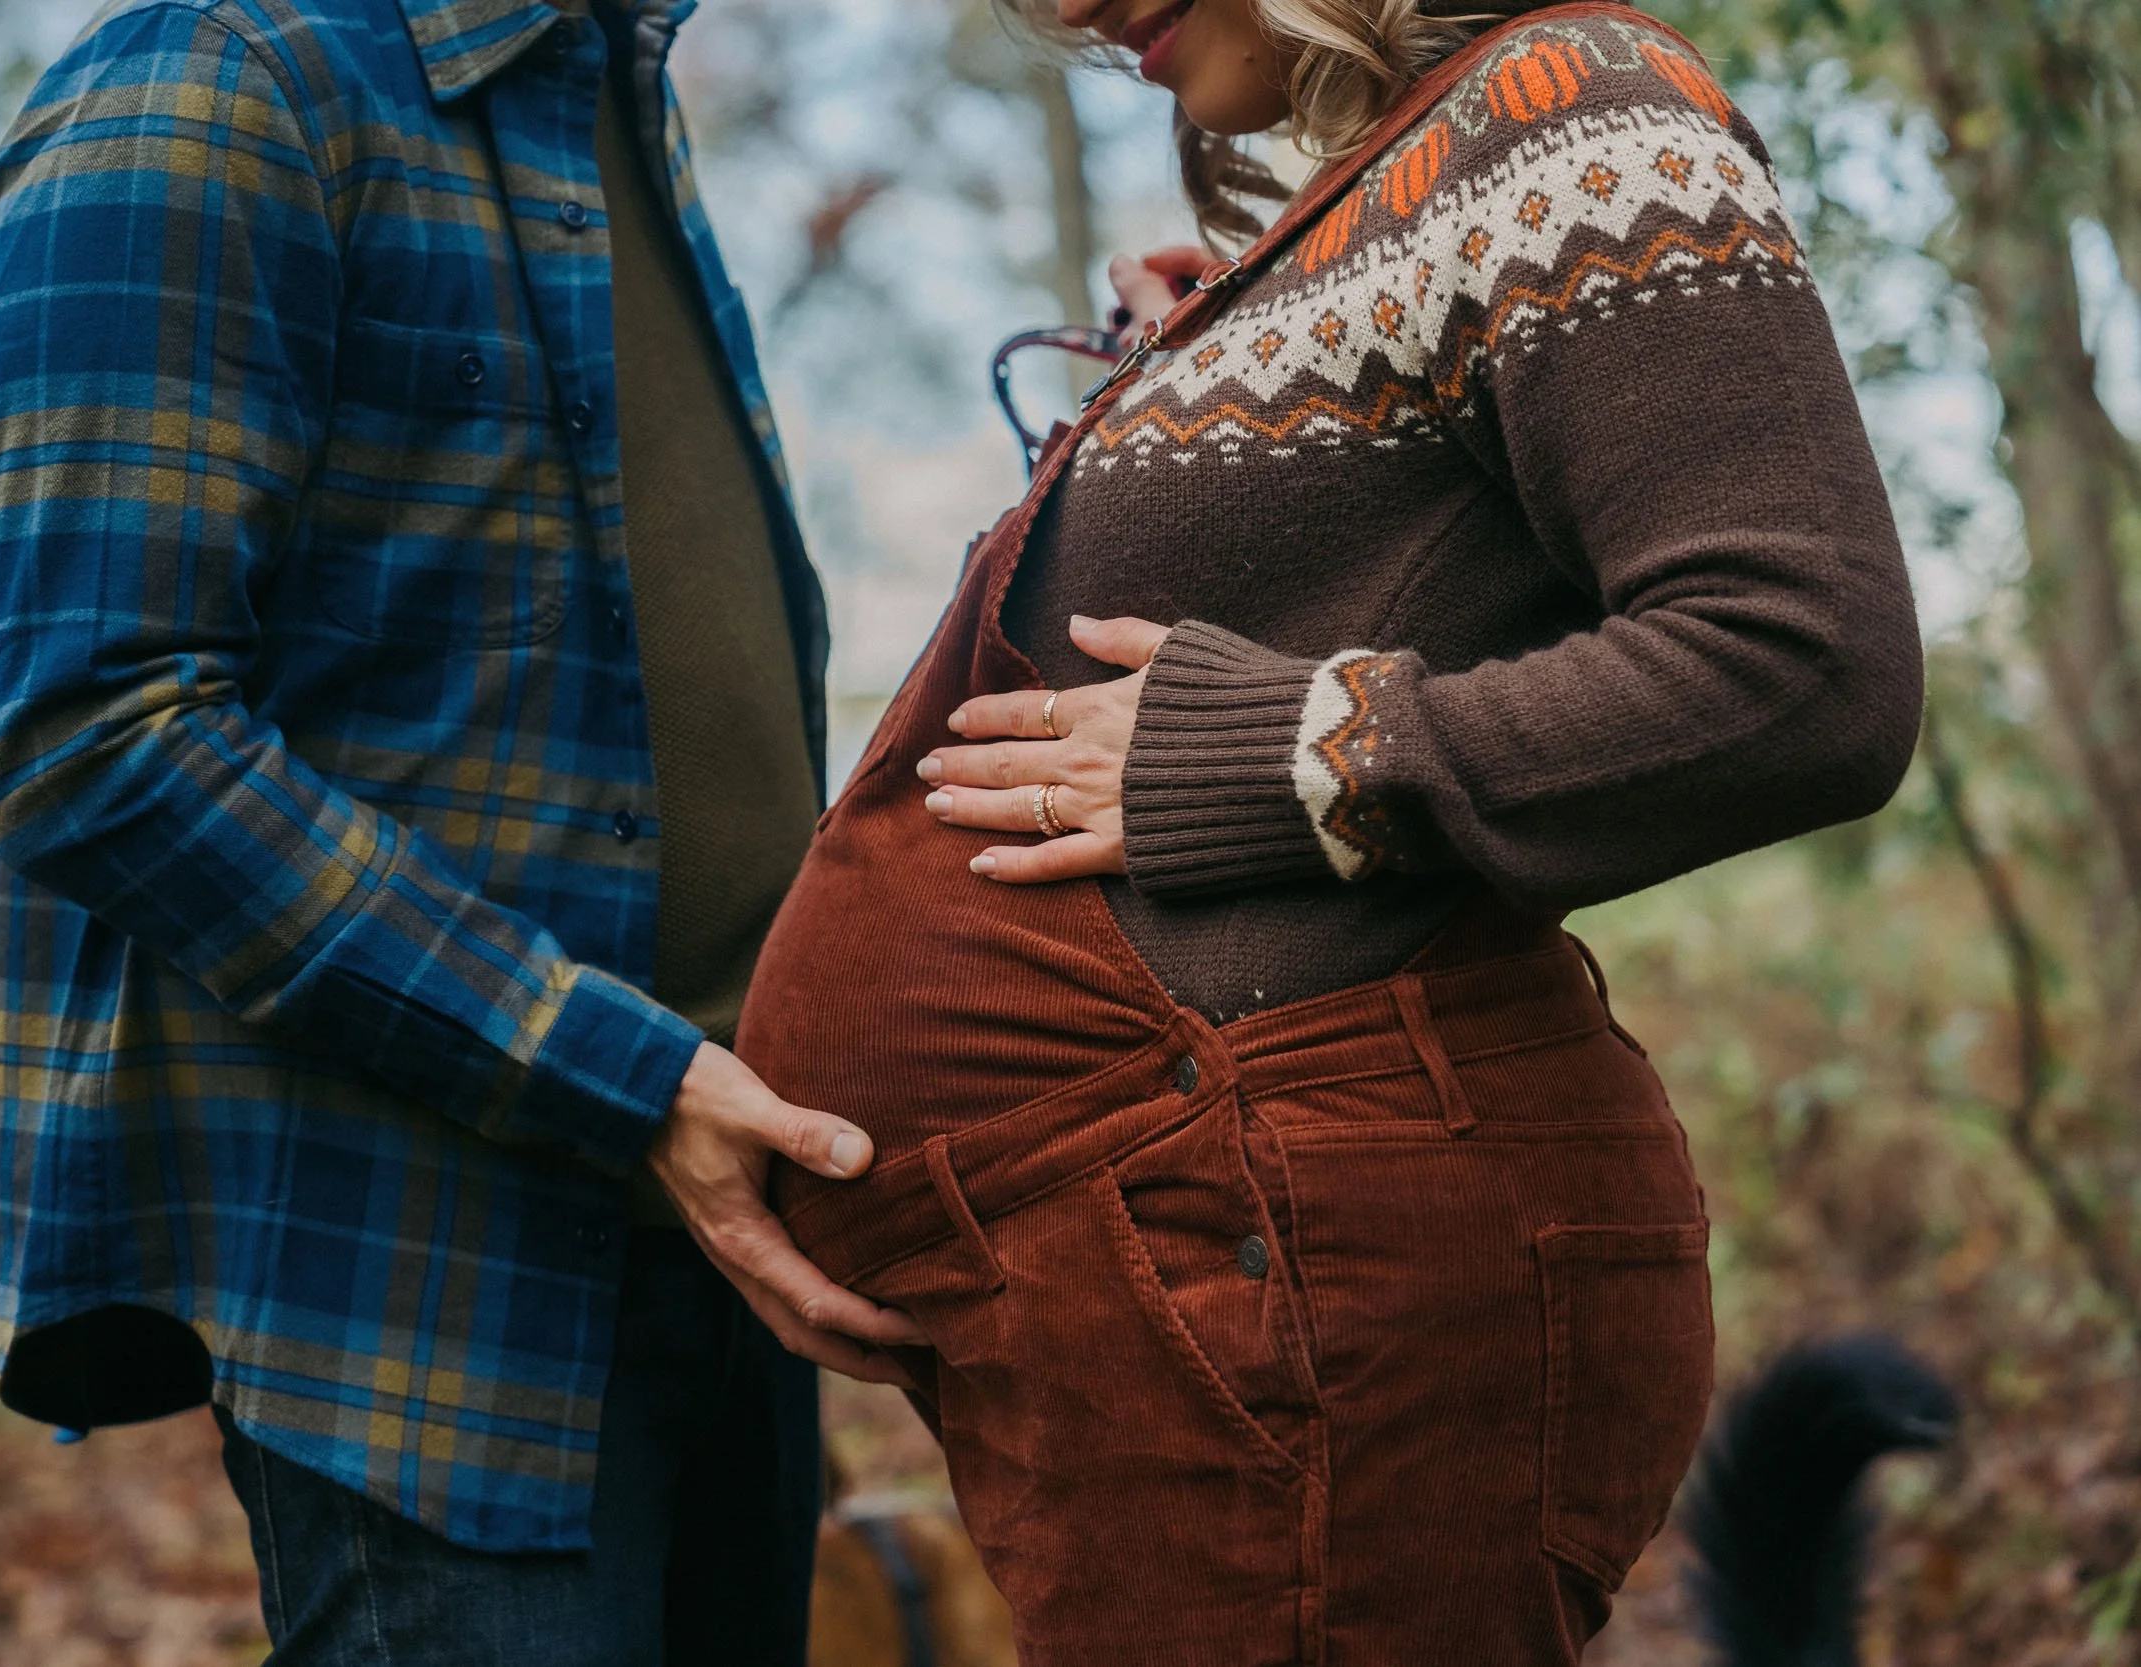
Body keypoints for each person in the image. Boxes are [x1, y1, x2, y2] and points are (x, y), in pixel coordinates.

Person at [734, 0, 1924, 1662]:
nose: (1071, 11)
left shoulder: (1572, 102)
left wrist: (1294, 750)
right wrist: (1218, 353)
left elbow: (1806, 664)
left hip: (1298, 1270)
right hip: (1201, 1285)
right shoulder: (1397, 175)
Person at [0, 0, 922, 1659]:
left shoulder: (614, 107)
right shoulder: (215, 86)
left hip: (728, 1249)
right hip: (441, 1297)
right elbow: (96, 735)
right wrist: (623, 1079)